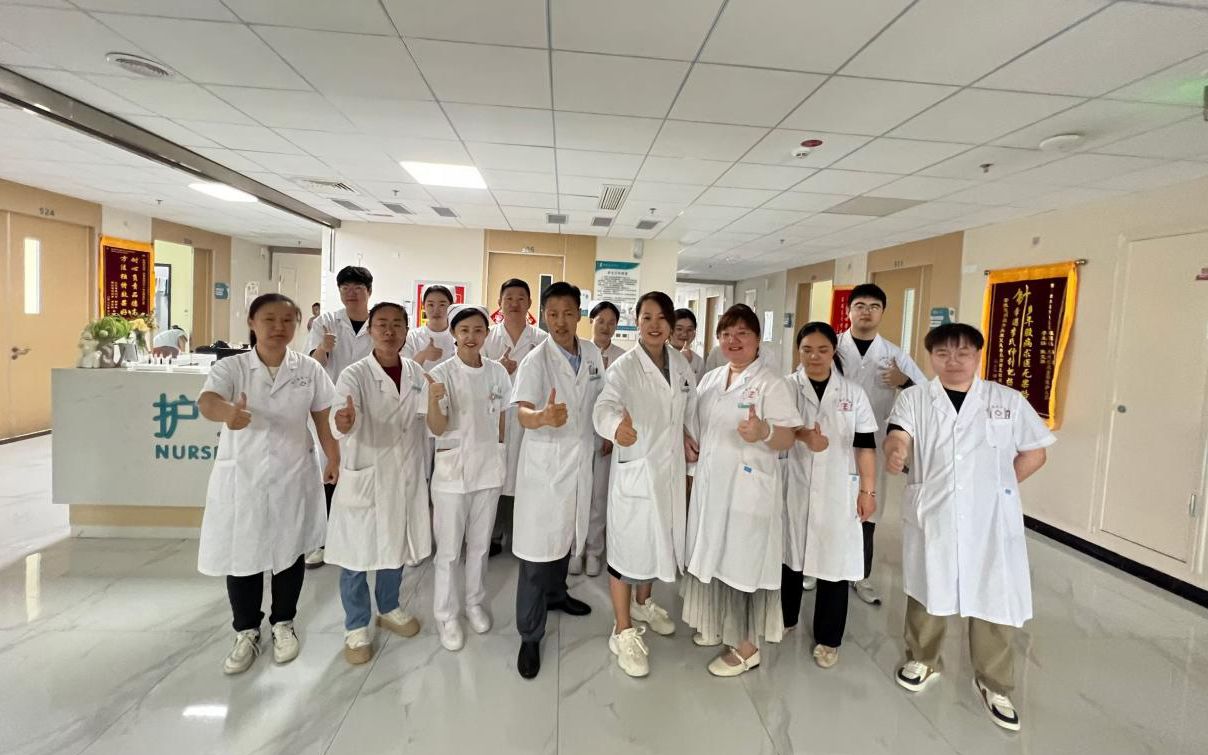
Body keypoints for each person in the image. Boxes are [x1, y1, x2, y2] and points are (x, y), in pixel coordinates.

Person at [885, 323, 1053, 732]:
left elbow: (1034, 453)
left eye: (963, 353)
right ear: (931, 357)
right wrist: (896, 451)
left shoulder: (1006, 400)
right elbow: (898, 435)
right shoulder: (915, 398)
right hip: (936, 511)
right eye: (943, 354)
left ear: (978, 355)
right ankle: (923, 659)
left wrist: (998, 489)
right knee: (929, 586)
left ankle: (994, 683)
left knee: (994, 594)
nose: (953, 361)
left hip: (990, 519)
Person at [196, 293, 339, 675]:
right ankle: (246, 630)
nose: (279, 327)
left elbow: (322, 417)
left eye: (287, 321)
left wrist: (334, 457)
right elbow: (207, 401)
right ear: (252, 322)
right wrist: (228, 412)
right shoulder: (233, 367)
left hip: (294, 471)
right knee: (243, 553)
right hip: (244, 475)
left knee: (290, 551)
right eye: (270, 319)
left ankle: (283, 623)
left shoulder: (308, 369)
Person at [682, 304, 802, 677]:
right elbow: (696, 423)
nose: (733, 341)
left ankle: (748, 648)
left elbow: (788, 437)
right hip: (712, 485)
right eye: (726, 334)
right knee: (715, 554)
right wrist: (688, 440)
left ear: (757, 339)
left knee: (743, 565)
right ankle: (721, 625)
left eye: (742, 334)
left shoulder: (771, 383)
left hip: (748, 489)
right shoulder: (712, 378)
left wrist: (765, 431)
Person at [592, 291, 696, 677]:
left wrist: (685, 433)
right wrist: (615, 427)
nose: (654, 325)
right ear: (636, 322)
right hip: (637, 470)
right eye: (646, 317)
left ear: (670, 324)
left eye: (661, 318)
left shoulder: (680, 365)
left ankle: (643, 604)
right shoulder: (624, 367)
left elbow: (687, 408)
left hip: (668, 471)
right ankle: (622, 630)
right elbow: (603, 407)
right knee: (627, 551)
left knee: (657, 542)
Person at [326, 302, 430, 665]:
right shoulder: (354, 374)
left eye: (397, 324)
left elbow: (428, 415)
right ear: (370, 330)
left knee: (394, 545)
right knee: (355, 555)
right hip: (366, 472)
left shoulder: (415, 372)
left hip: (403, 474)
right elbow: (340, 419)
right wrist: (344, 420)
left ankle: (388, 607)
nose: (389, 331)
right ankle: (356, 626)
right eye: (382, 324)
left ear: (406, 331)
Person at [510, 281, 603, 679]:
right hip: (545, 469)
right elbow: (521, 413)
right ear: (544, 316)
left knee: (565, 538)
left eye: (568, 313)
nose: (560, 322)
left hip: (579, 462)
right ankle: (530, 634)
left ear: (579, 314)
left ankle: (557, 594)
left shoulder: (593, 354)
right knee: (536, 552)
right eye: (553, 314)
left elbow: (602, 398)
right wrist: (542, 417)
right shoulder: (536, 360)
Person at [781, 322, 877, 670]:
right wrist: (803, 435)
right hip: (795, 482)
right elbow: (776, 432)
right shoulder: (786, 387)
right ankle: (785, 618)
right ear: (798, 351)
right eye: (807, 350)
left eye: (822, 350)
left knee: (834, 565)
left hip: (840, 487)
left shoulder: (853, 393)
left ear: (833, 351)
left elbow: (865, 445)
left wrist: (868, 490)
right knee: (790, 557)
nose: (814, 357)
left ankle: (828, 638)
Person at [426, 305, 512, 652]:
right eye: (464, 330)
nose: (471, 337)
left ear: (487, 334)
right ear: (454, 334)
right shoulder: (440, 374)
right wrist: (434, 400)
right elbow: (436, 428)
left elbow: (502, 419)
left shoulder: (497, 373)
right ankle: (446, 615)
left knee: (479, 547)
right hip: (452, 474)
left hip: (488, 470)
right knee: (448, 552)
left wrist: (500, 451)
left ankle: (474, 602)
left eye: (478, 330)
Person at [836, 283, 927, 606]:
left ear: (882, 312)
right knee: (826, 505)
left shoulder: (895, 355)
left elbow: (926, 394)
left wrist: (904, 382)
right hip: (831, 442)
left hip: (873, 444)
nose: (866, 312)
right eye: (860, 305)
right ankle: (818, 570)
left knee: (867, 512)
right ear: (849, 311)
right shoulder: (832, 347)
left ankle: (861, 576)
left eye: (874, 306)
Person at [305, 265, 376, 568]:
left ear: (368, 291)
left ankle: (362, 538)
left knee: (365, 474)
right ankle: (324, 542)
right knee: (330, 474)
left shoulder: (378, 321)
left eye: (357, 288)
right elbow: (311, 364)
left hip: (370, 410)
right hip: (332, 410)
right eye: (345, 288)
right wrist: (323, 348)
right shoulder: (326, 322)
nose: (351, 293)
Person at [482, 279, 547, 558]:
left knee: (525, 478)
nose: (515, 303)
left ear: (530, 304)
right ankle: (494, 534)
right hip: (495, 418)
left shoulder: (542, 340)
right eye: (509, 298)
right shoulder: (488, 338)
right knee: (495, 478)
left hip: (527, 418)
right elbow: (475, 375)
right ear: (499, 303)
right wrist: (498, 369)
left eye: (521, 298)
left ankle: (522, 535)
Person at [578, 300, 625, 577]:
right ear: (591, 321)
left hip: (607, 436)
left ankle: (594, 550)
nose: (606, 327)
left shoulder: (622, 357)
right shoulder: (580, 351)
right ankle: (575, 550)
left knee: (599, 495)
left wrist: (612, 432)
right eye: (601, 321)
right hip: (581, 432)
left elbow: (623, 399)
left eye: (611, 322)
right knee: (578, 493)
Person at [403, 284, 457, 372]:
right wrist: (423, 355)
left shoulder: (458, 337)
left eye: (442, 305)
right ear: (423, 306)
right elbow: (405, 371)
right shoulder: (411, 337)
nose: (436, 310)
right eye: (431, 304)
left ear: (451, 307)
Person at [671, 308, 706, 383]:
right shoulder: (659, 356)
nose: (684, 334)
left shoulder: (699, 362)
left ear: (694, 334)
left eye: (689, 330)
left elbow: (699, 389)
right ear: (669, 330)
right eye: (679, 329)